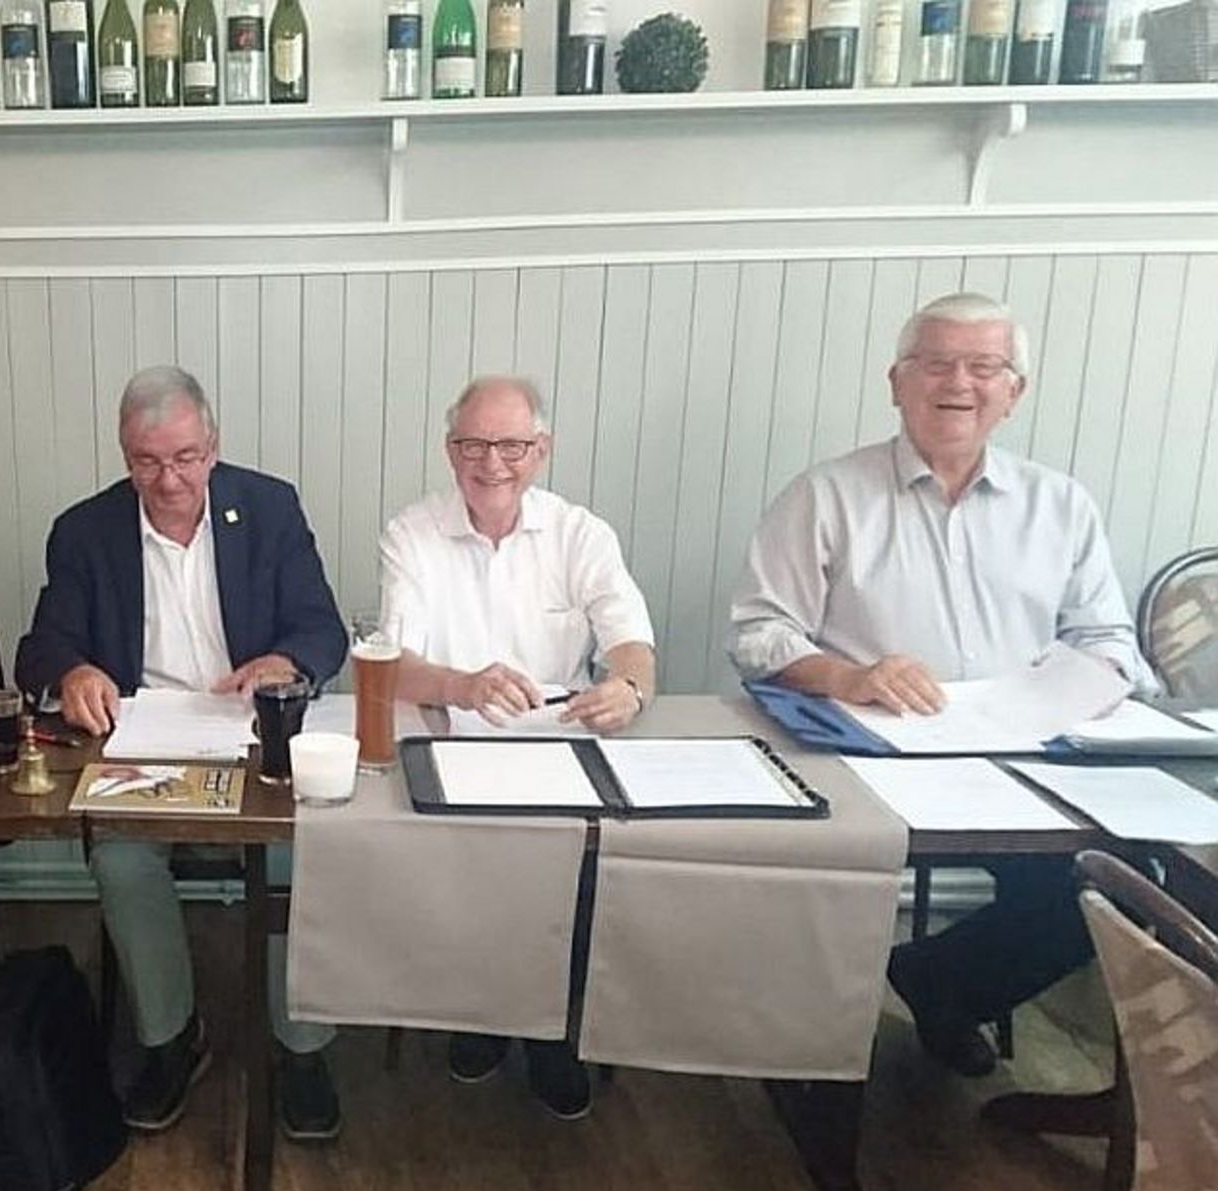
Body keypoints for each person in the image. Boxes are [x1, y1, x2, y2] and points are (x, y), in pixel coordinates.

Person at [728, 292, 1148, 1078]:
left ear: (1014, 390)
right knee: (815, 870)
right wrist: (851, 675)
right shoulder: (827, 495)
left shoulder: (1061, 505)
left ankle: (938, 983)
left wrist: (1074, 687)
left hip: (1026, 756)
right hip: (874, 755)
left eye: (983, 366)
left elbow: (1108, 639)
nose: (958, 382)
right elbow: (758, 634)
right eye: (936, 363)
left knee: (1120, 885)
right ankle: (806, 1054)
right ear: (898, 381)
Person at [16, 365, 348, 1141]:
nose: (169, 480)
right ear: (123, 452)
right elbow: (42, 647)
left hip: (252, 736)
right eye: (147, 461)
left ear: (214, 445)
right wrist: (74, 671)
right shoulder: (86, 529)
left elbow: (321, 628)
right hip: (145, 744)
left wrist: (284, 662)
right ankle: (171, 1037)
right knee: (122, 858)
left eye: (186, 458)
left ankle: (302, 1045)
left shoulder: (269, 507)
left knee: (303, 851)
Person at [380, 374, 657, 1117]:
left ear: (541, 449)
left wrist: (629, 690)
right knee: (469, 862)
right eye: (473, 445)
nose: (492, 462)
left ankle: (554, 1032)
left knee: (580, 863)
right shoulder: (412, 532)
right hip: (452, 742)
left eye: (511, 445)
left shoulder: (580, 533)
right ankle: (484, 1016)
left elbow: (632, 643)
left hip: (559, 747)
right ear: (450, 450)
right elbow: (394, 666)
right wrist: (463, 684)